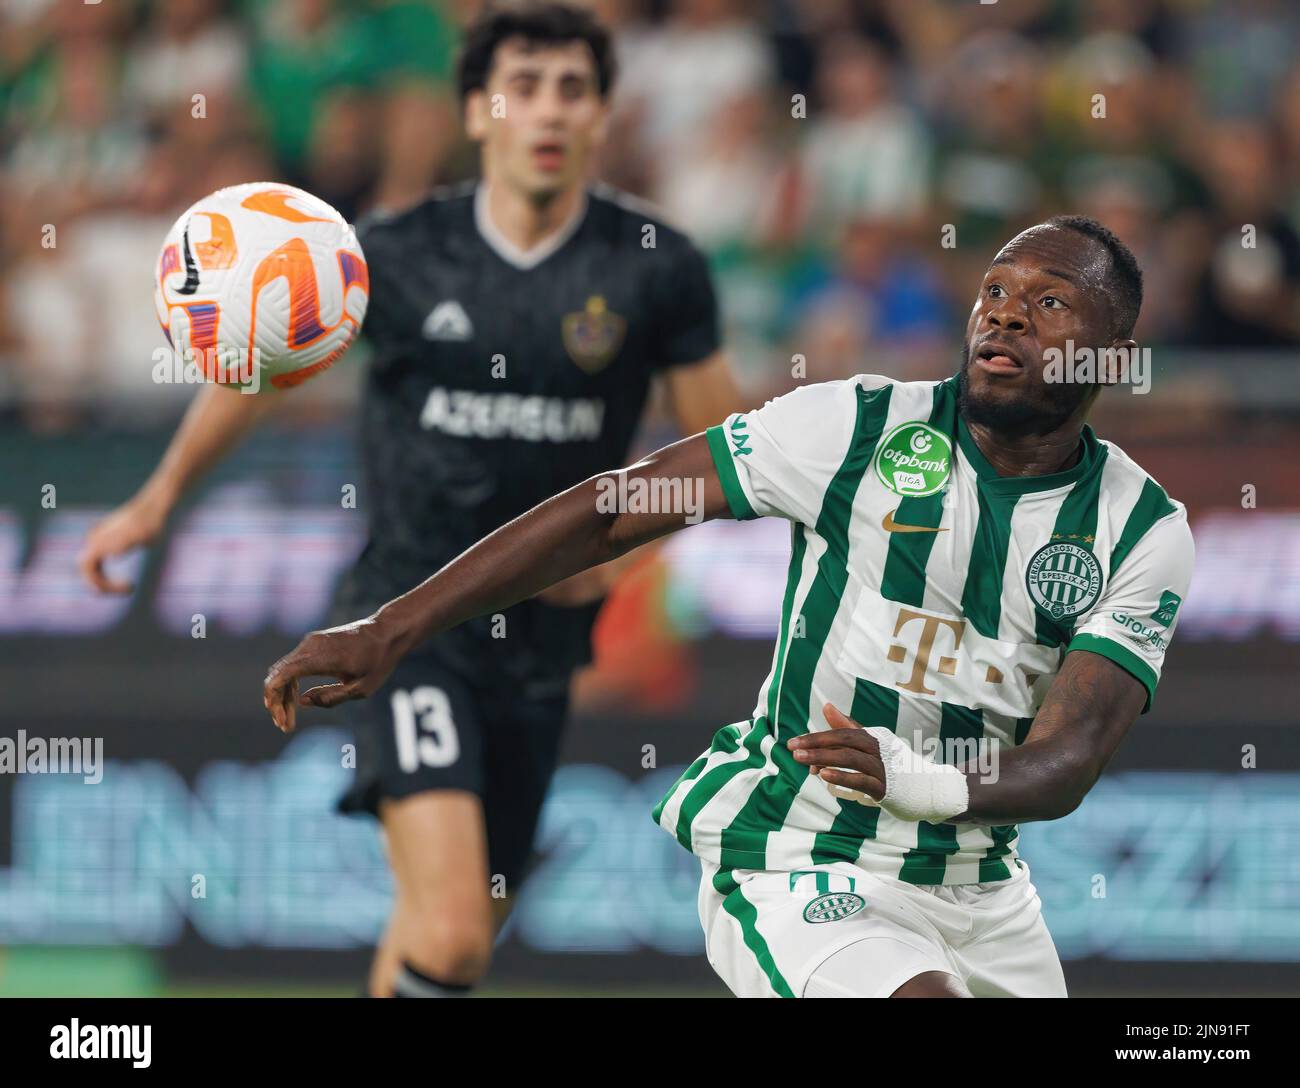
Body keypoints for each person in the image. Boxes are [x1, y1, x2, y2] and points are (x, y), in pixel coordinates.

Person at [263, 215, 1194, 998]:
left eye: (1049, 303)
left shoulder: (1140, 528)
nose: (1006, 317)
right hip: (801, 854)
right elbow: (616, 508)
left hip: (983, 891)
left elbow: (1067, 762)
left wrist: (919, 778)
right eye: (994, 292)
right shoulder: (856, 428)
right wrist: (391, 627)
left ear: (1114, 354)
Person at [80, 2, 740, 998]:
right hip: (403, 620)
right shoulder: (390, 252)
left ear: (602, 113)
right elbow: (262, 370)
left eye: (574, 89)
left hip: (545, 638)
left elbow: (719, 456)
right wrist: (156, 497)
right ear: (477, 111)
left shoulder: (655, 267)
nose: (549, 112)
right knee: (452, 934)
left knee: (457, 925)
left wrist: (623, 553)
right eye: (524, 88)